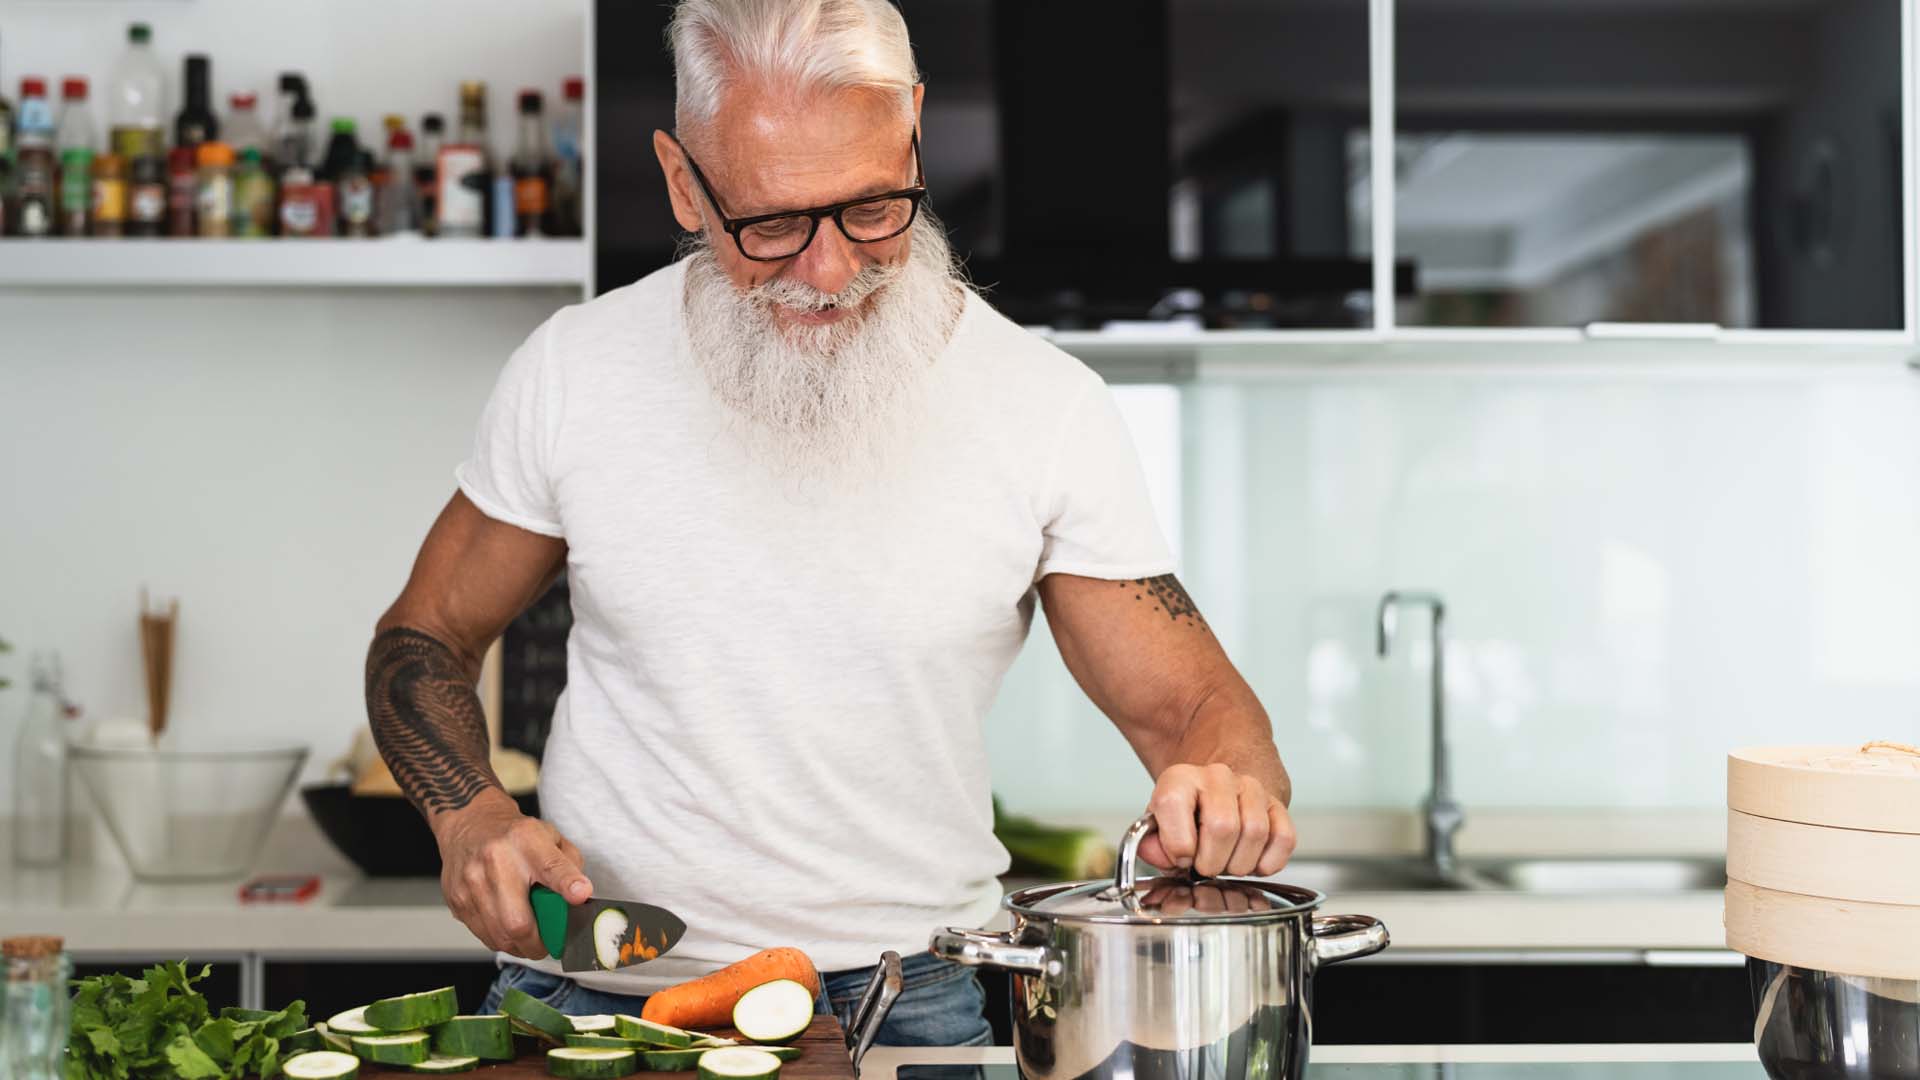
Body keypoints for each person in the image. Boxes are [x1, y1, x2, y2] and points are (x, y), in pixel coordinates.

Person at [365, 0, 1296, 1047]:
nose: (830, 269)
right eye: (772, 223)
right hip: (589, 991)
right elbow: (426, 634)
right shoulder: (575, 372)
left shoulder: (1045, 407)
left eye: (872, 207)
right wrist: (470, 814)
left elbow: (1199, 714)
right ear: (684, 184)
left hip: (902, 1007)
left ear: (913, 134)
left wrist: (1227, 789)